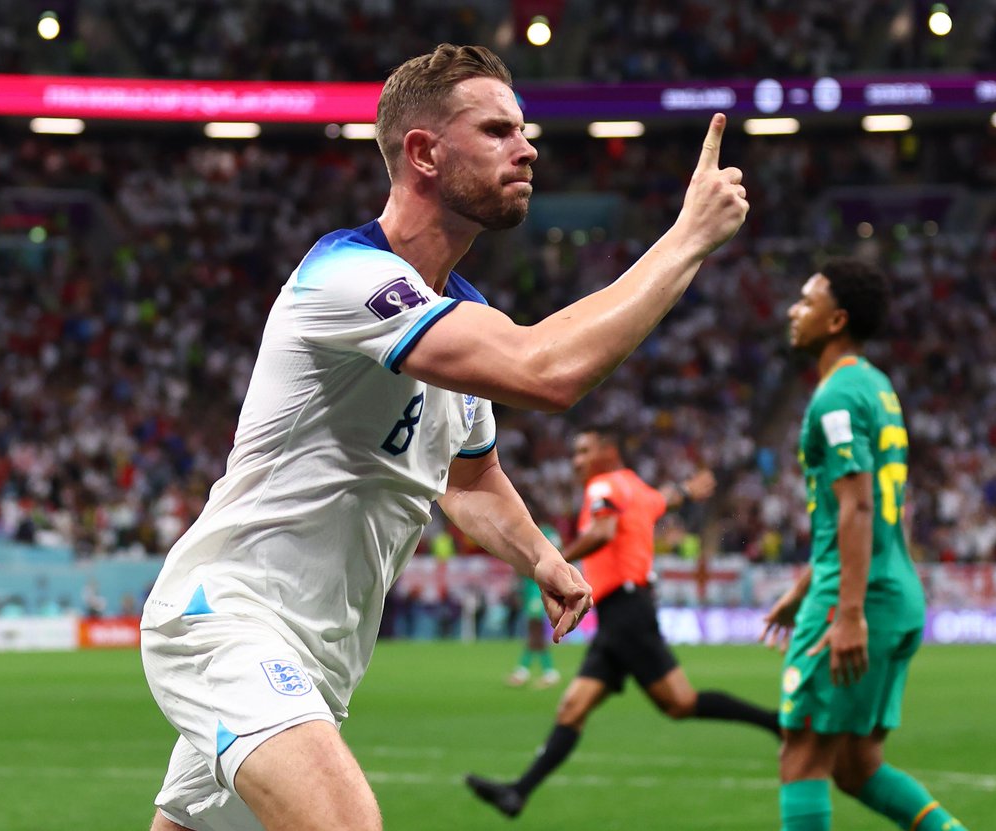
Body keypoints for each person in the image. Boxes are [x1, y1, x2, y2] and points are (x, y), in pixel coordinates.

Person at [139, 43, 748, 831]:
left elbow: (470, 480)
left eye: (523, 129)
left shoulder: (458, 315)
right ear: (423, 152)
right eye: (497, 130)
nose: (527, 147)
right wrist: (685, 239)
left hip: (318, 655)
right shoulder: (346, 277)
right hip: (226, 617)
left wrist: (541, 556)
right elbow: (547, 372)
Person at [466, 425, 781, 818]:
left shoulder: (602, 488)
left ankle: (778, 723)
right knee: (573, 708)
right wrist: (685, 490)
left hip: (627, 612)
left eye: (583, 451)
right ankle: (518, 793)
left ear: (607, 452)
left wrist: (553, 560)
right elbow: (659, 501)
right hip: (624, 612)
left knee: (680, 703)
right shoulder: (635, 487)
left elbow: (604, 530)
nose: (576, 461)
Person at [762, 259, 966, 830]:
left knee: (801, 756)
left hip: (859, 599)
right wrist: (803, 587)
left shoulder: (836, 400)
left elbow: (857, 505)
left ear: (837, 321)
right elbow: (851, 510)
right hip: (894, 592)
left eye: (807, 301)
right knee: (856, 767)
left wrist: (845, 612)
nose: (793, 311)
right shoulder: (876, 386)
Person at [505, 523, 563, 688]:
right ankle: (529, 671)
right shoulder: (541, 532)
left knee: (535, 631)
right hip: (530, 588)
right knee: (534, 632)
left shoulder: (542, 533)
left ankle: (544, 672)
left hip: (536, 589)